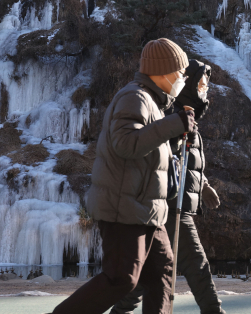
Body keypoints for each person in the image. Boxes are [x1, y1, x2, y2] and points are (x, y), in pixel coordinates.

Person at [51, 38, 196, 314]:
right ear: (162, 71)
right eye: (180, 72)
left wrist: (176, 134)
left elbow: (148, 153)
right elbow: (126, 143)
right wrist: (172, 125)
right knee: (121, 279)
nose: (183, 79)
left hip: (147, 210)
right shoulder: (135, 97)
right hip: (125, 209)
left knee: (162, 271)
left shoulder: (155, 103)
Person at [110, 59, 225, 314]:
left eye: (206, 85)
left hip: (173, 205)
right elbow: (161, 157)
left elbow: (185, 162)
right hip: (171, 206)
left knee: (147, 274)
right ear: (189, 84)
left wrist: (203, 185)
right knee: (197, 264)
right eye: (201, 83)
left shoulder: (188, 119)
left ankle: (120, 312)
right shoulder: (172, 118)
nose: (204, 89)